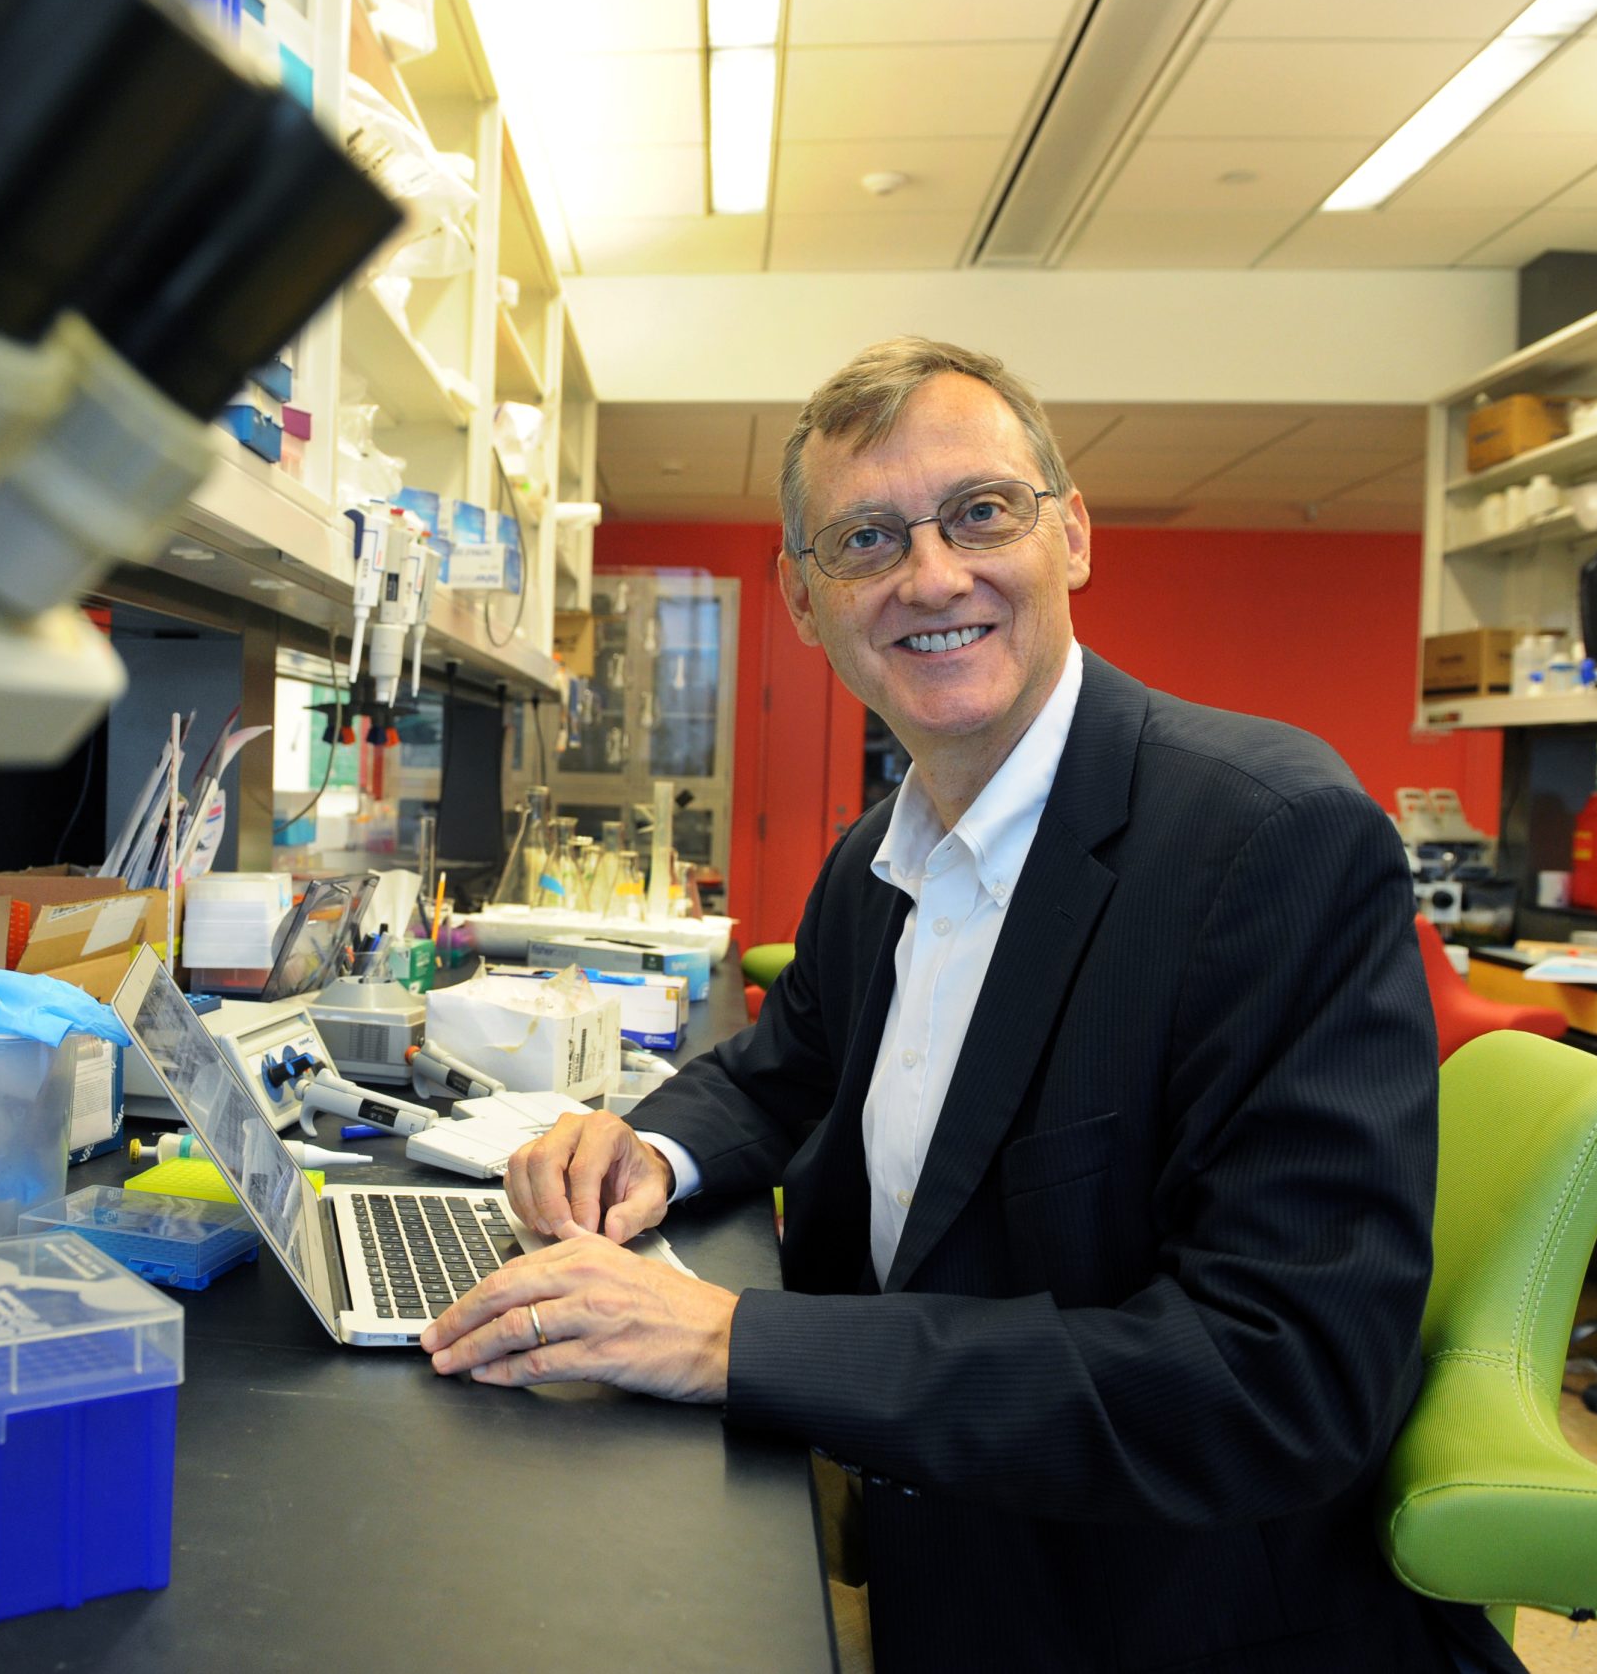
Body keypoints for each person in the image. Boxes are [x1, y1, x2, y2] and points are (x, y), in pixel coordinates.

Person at [416, 338, 1513, 1673]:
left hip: (1173, 1622)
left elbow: (1275, 1373)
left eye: (980, 513)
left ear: (1075, 536)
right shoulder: (887, 851)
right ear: (808, 603)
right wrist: (649, 1143)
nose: (933, 577)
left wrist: (739, 1340)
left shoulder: (1269, 842)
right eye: (867, 540)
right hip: (954, 1570)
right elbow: (791, 1063)